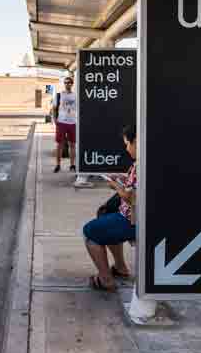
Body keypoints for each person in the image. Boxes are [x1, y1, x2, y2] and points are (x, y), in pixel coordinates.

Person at [82, 125, 137, 291]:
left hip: (133, 219)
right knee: (105, 213)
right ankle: (120, 268)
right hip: (133, 216)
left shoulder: (143, 164)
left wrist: (116, 186)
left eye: (128, 144)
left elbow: (131, 197)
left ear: (137, 142)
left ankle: (106, 279)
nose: (126, 149)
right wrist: (123, 178)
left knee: (90, 231)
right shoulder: (142, 162)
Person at [51, 76, 77, 173]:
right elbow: (53, 108)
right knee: (59, 145)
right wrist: (55, 120)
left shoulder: (75, 95)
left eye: (69, 82)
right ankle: (58, 165)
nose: (67, 84)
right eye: (66, 82)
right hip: (61, 122)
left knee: (72, 145)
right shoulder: (59, 95)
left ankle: (72, 165)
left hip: (73, 123)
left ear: (72, 84)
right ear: (64, 84)